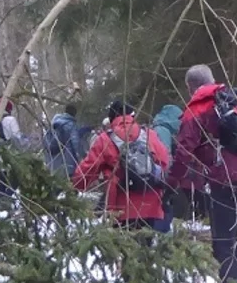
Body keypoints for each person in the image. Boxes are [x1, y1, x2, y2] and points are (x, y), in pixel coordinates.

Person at [168, 65, 237, 283]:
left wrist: (170, 184)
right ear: (213, 80)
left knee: (223, 245)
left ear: (190, 87)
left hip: (225, 181)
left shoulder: (197, 110)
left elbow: (183, 152)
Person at [73, 100, 170, 234]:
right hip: (151, 205)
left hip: (121, 209)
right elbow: (164, 162)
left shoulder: (105, 139)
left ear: (112, 118)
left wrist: (74, 186)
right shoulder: (148, 134)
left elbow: (86, 171)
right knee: (147, 250)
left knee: (126, 250)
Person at [151, 104, 184, 232]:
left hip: (160, 176)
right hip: (162, 176)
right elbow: (164, 155)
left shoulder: (162, 129)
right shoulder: (162, 130)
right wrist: (171, 175)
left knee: (165, 205)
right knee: (164, 206)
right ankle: (162, 237)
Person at [43, 104, 83, 178]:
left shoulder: (54, 123)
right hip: (67, 166)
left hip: (53, 164)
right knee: (67, 187)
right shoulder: (70, 125)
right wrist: (80, 160)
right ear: (74, 114)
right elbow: (75, 145)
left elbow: (46, 142)